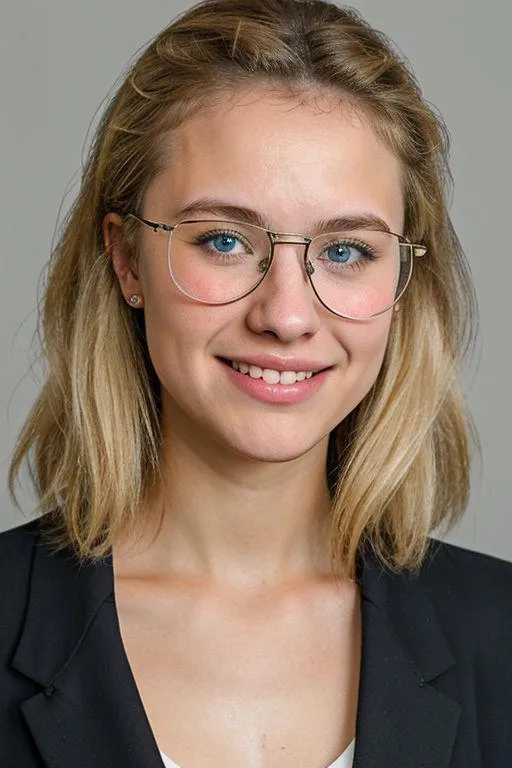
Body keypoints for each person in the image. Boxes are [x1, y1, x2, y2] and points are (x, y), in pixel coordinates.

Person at [1, 0, 511, 765]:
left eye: (346, 251)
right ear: (128, 260)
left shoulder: (501, 635)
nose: (286, 315)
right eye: (226, 240)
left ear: (402, 282)